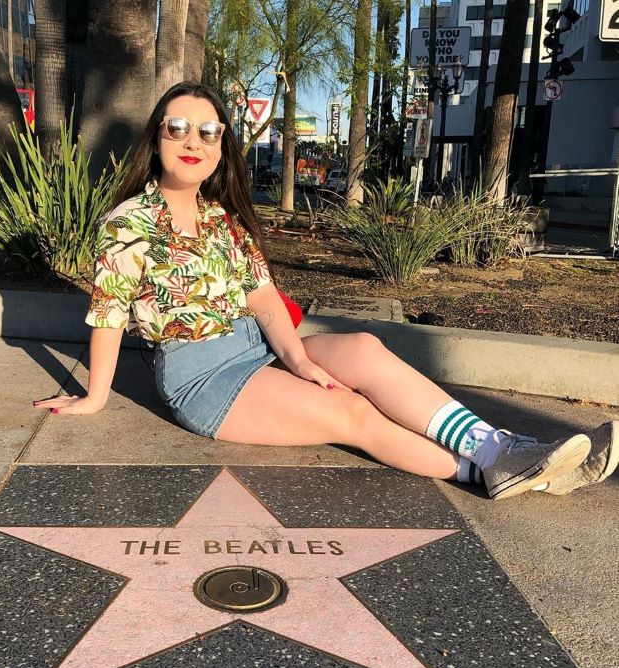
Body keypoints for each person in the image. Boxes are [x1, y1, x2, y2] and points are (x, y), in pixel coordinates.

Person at [33, 81, 618, 500]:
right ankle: (480, 474)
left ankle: (503, 450)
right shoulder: (129, 221)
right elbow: (108, 313)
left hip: (256, 349)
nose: (194, 140)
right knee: (349, 411)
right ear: (156, 137)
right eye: (178, 127)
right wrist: (96, 396)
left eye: (209, 131)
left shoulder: (221, 220)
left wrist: (298, 360)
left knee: (361, 348)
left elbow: (263, 299)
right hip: (202, 378)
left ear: (221, 147)